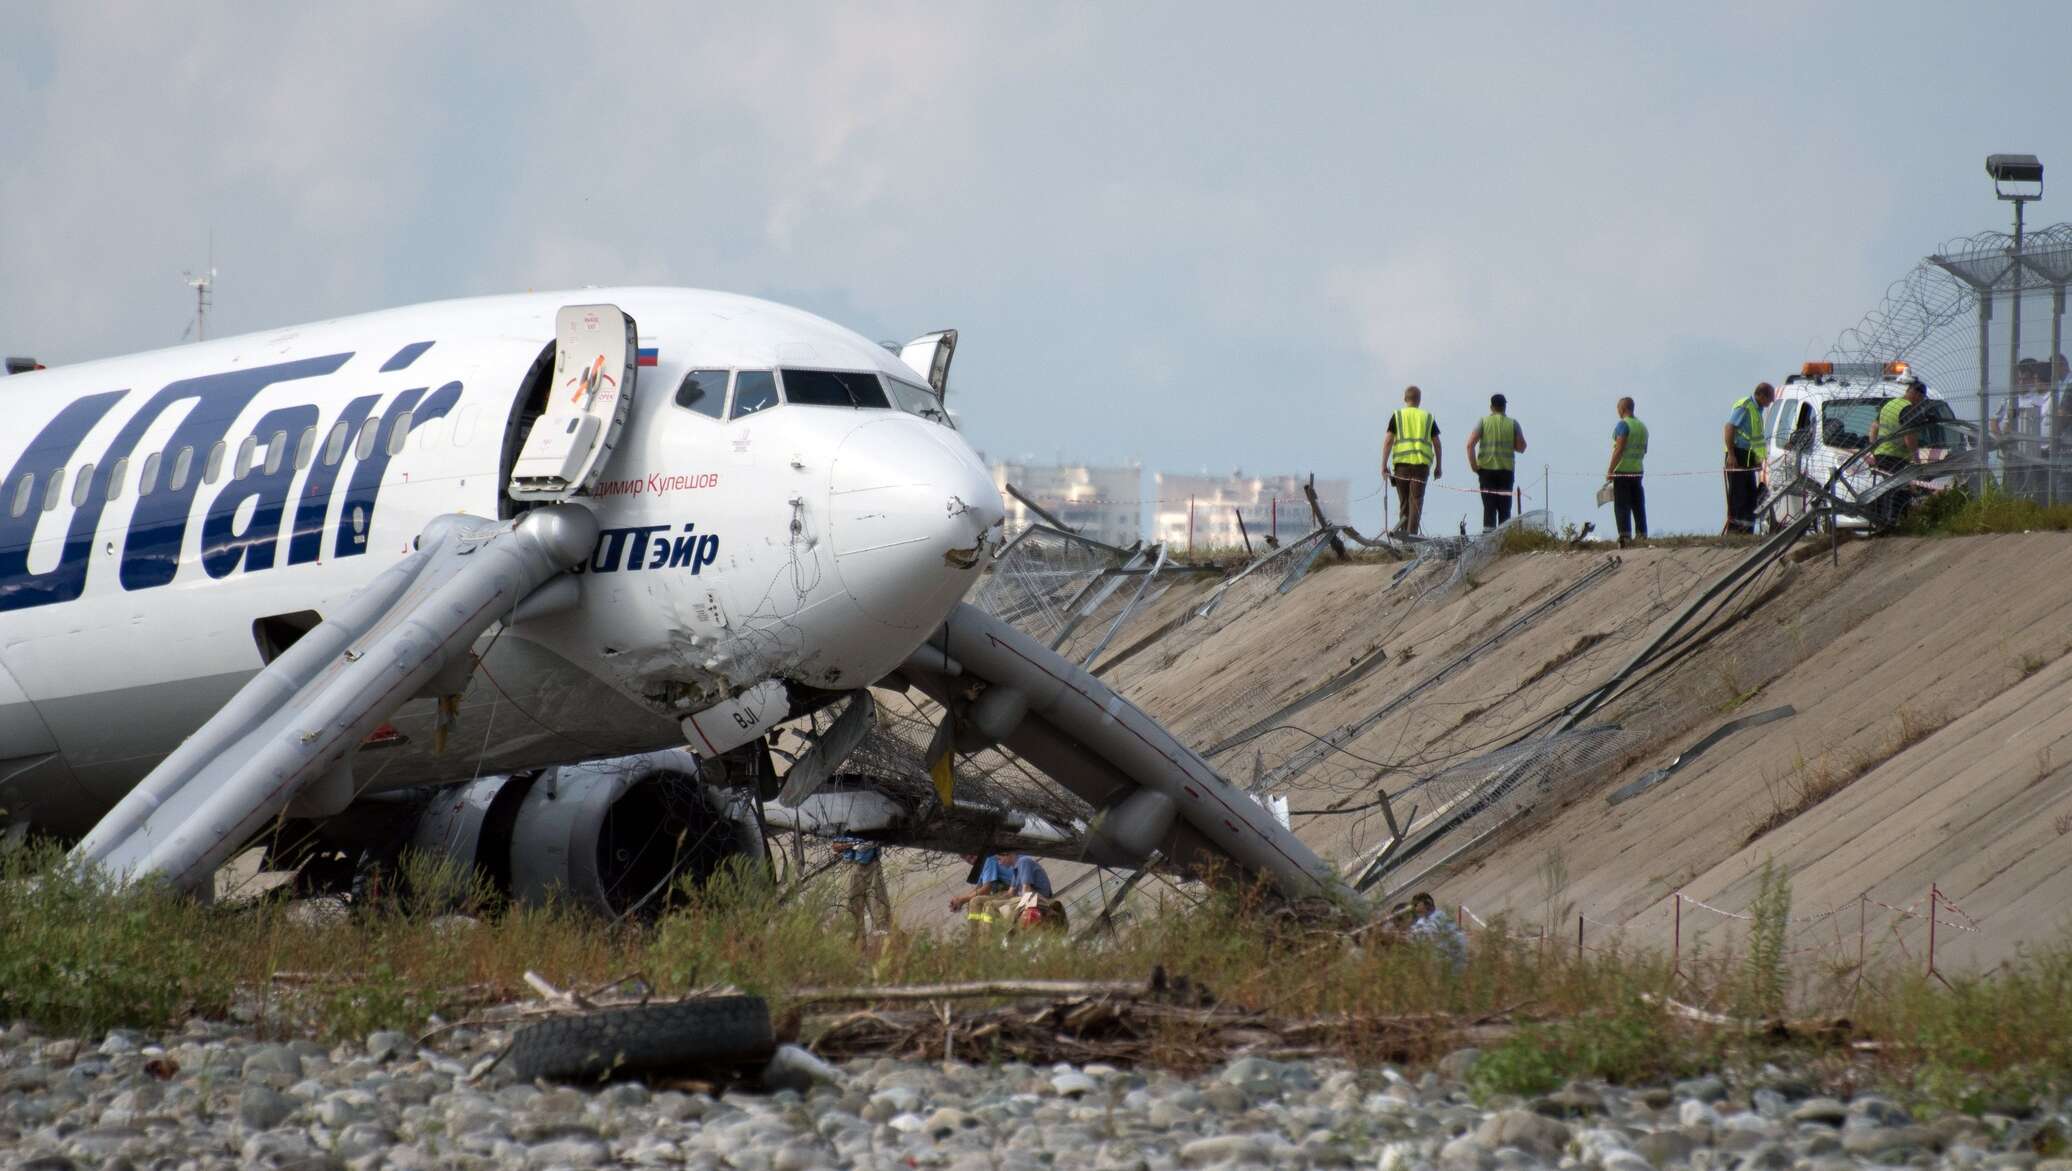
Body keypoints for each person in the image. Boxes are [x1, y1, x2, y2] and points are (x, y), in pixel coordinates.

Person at [1382, 385, 1441, 536]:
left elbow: (1388, 440)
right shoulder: (1427, 417)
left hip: (1401, 466)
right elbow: (1437, 443)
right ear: (1419, 400)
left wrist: (1383, 465)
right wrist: (1438, 466)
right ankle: (1412, 539)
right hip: (1421, 467)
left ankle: (1403, 539)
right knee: (1416, 501)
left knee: (1404, 502)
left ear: (1405, 399)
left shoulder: (1397, 416)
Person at [1465, 394, 1526, 531]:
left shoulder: (1483, 422)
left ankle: (1488, 539)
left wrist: (1474, 466)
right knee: (1505, 508)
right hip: (1506, 471)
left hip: (1486, 471)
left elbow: (1470, 445)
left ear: (1491, 407)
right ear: (1504, 407)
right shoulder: (1513, 423)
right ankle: (1504, 539)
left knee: (1489, 506)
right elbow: (1522, 447)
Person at [1723, 382, 1776, 534]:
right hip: (1737, 456)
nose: (1770, 403)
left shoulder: (1757, 410)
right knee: (1738, 498)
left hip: (1748, 459)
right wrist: (1732, 455)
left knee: (1750, 497)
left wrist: (1757, 459)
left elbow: (1755, 439)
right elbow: (1729, 427)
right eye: (1769, 399)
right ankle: (1735, 532)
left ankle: (1747, 531)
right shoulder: (1745, 406)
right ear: (1761, 395)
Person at [1606, 397, 1648, 548]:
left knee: (1622, 505)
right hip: (1637, 470)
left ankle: (1625, 537)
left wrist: (1610, 470)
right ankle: (1642, 535)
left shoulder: (1623, 425)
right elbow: (1645, 450)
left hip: (1623, 470)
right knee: (1638, 504)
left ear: (1622, 409)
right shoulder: (1642, 427)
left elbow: (1619, 448)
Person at [835, 835, 893, 937]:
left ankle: (882, 946)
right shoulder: (846, 823)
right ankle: (857, 946)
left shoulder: (873, 823)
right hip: (852, 867)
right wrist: (854, 845)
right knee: (851, 916)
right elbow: (836, 846)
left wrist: (870, 843)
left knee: (880, 914)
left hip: (872, 866)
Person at [1869, 378, 1928, 473]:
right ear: (1917, 395)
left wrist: (1873, 449)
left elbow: (1874, 427)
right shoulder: (1909, 409)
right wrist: (1917, 460)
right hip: (1897, 459)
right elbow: (1909, 437)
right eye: (1922, 398)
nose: (1921, 402)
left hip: (1879, 456)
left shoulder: (1890, 404)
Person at [1406, 892, 1467, 970]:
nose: (1415, 908)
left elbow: (1422, 934)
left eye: (1416, 905)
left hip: (1452, 962)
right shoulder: (1431, 918)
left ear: (1427, 904)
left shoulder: (1436, 917)